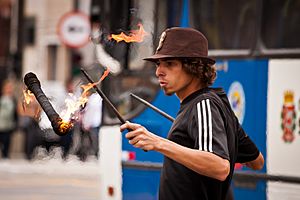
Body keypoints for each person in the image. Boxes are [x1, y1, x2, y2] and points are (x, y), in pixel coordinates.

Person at [120, 27, 264, 200]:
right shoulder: (213, 103)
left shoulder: (204, 104)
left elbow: (220, 167)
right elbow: (257, 161)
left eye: (170, 64)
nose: (159, 71)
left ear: (193, 67)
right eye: (158, 64)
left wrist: (158, 142)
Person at [0, 80, 18, 158]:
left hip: (8, 124)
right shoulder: (1, 98)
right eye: (7, 88)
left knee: (6, 141)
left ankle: (5, 156)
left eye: (10, 88)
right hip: (1, 123)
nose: (9, 89)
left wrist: (15, 122)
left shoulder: (13, 99)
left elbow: (15, 112)